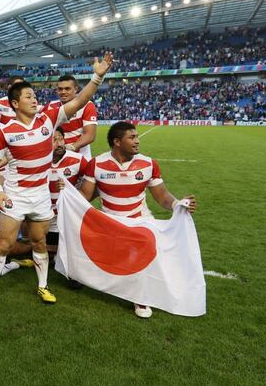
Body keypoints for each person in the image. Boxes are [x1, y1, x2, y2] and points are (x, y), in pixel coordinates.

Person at [0, 52, 114, 312]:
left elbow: (79, 101)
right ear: (16, 104)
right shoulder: (4, 131)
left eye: (34, 95)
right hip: (15, 195)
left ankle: (43, 285)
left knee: (39, 243)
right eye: (28, 96)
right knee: (4, 244)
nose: (35, 99)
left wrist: (98, 76)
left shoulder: (49, 117)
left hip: (41, 196)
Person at [79, 121, 197, 319]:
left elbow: (162, 196)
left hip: (140, 221)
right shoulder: (97, 164)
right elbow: (85, 195)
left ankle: (140, 298)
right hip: (112, 223)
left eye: (137, 137)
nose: (137, 141)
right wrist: (66, 198)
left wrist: (178, 204)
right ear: (117, 142)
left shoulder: (148, 163)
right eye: (132, 137)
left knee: (145, 251)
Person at [47, 127, 88, 258]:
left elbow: (94, 186)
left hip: (67, 216)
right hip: (44, 216)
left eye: (61, 139)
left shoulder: (78, 160)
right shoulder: (38, 162)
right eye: (54, 140)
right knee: (47, 252)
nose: (59, 143)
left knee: (65, 253)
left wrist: (72, 192)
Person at [43, 74, 98, 158]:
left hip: (80, 158)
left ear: (76, 89)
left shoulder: (87, 105)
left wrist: (71, 148)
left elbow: (90, 135)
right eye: (60, 89)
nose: (63, 92)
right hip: (57, 158)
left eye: (67, 89)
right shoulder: (50, 106)